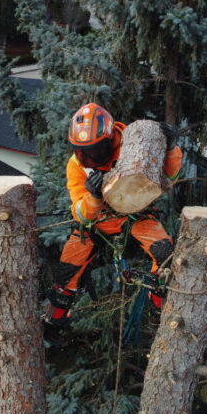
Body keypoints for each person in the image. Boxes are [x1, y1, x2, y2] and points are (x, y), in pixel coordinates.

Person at [47, 103, 182, 325]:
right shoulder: (76, 165)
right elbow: (80, 214)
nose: (91, 157)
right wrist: (93, 197)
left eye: (96, 151)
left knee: (165, 254)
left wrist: (171, 149)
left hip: (135, 214)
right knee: (67, 269)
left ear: (110, 140)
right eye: (85, 153)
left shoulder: (134, 145)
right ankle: (55, 318)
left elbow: (168, 179)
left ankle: (160, 308)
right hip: (97, 222)